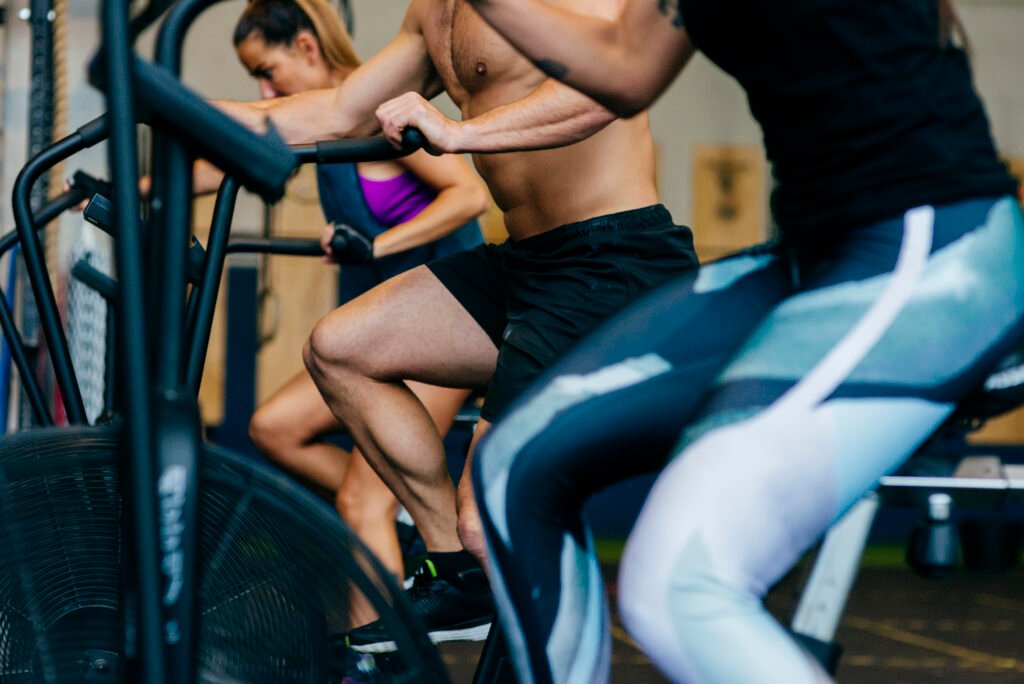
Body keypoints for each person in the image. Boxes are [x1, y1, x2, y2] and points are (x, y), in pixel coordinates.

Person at [465, 0, 1024, 682]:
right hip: (816, 259)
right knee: (513, 468)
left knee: (678, 587)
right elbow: (626, 64)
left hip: (934, 252)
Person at [216, 0, 699, 650]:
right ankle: (459, 568)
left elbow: (611, 86)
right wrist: (179, 111)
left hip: (610, 260)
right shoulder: (431, 13)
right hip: (526, 263)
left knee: (488, 516)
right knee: (339, 349)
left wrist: (459, 132)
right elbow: (336, 112)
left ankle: (482, 565)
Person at [226, 0, 488, 593]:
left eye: (268, 70)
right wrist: (127, 185)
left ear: (308, 49)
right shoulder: (318, 129)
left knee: (357, 501)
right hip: (392, 333)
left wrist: (374, 245)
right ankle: (410, 511)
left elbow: (468, 196)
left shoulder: (379, 115)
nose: (266, 91)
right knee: (273, 427)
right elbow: (215, 168)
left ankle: (377, 665)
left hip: (449, 321)